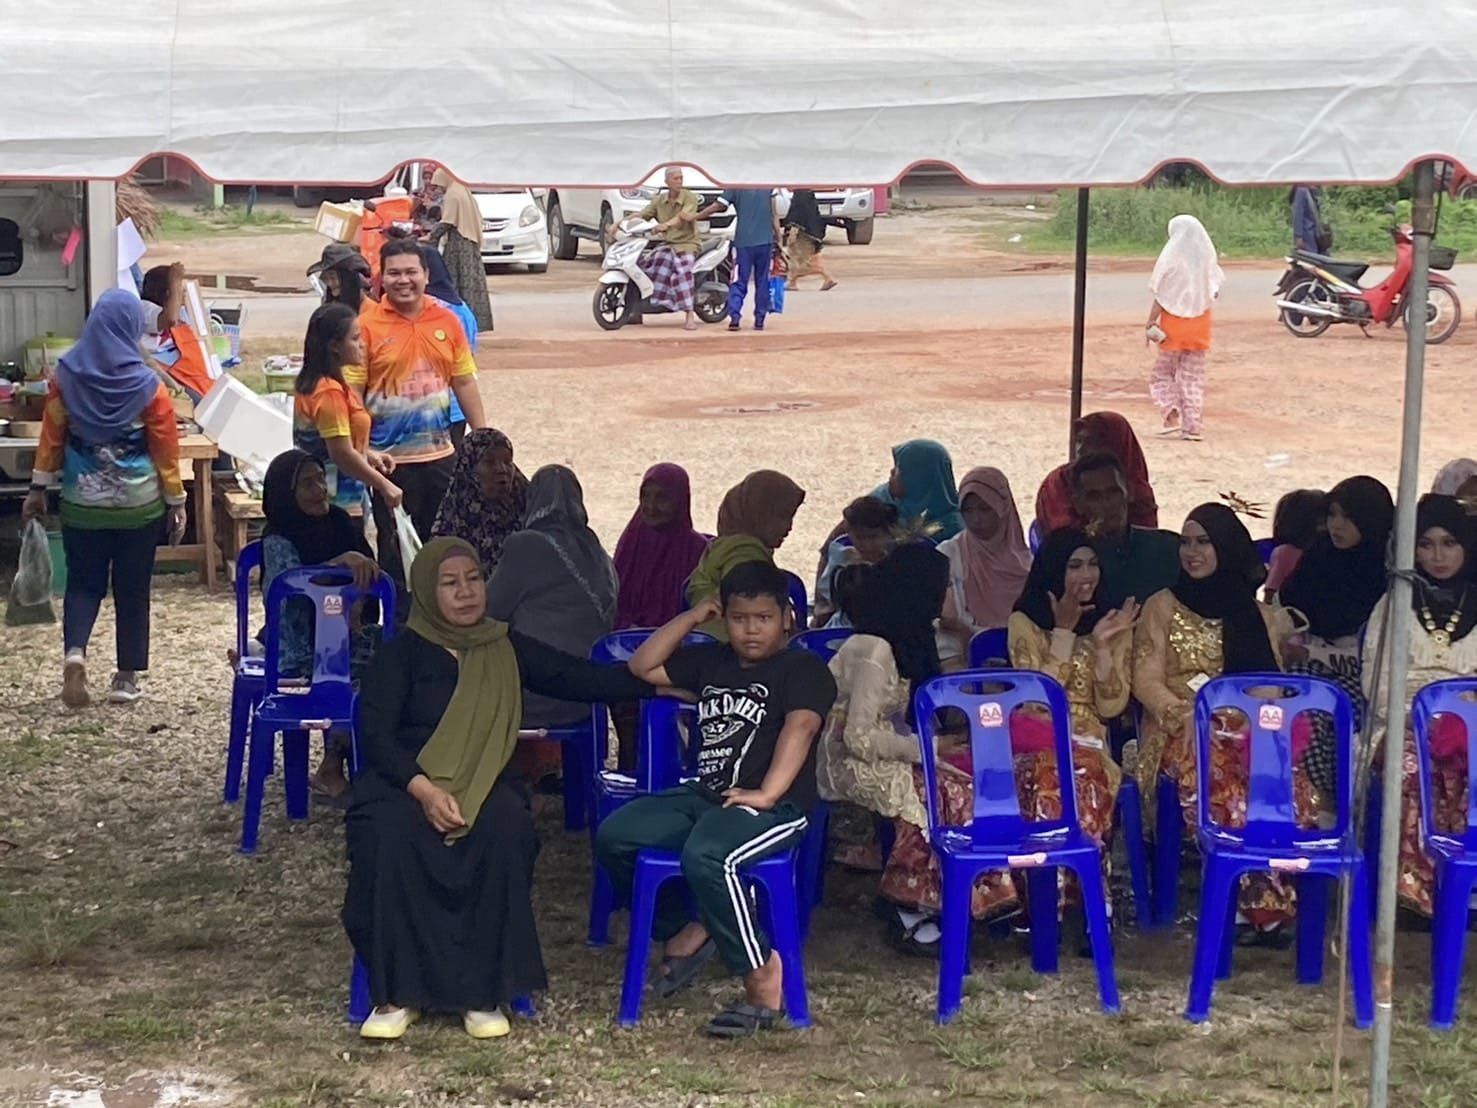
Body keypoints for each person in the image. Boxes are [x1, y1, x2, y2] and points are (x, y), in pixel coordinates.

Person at [345, 538, 654, 1040]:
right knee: (388, 835)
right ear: (427, 591)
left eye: (474, 579)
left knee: (505, 829)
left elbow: (579, 678)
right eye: (450, 583)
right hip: (405, 782)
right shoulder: (400, 655)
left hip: (484, 780)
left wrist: (663, 681)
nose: (466, 592)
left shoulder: (505, 646)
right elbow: (377, 736)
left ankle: (482, 993)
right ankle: (397, 994)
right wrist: (425, 792)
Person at [597, 561, 838, 1037]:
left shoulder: (803, 670)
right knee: (617, 834)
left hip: (776, 806)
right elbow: (641, 667)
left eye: (763, 618)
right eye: (739, 618)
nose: (751, 630)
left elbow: (801, 728)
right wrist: (691, 617)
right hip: (708, 794)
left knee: (707, 854)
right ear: (723, 617)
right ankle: (684, 929)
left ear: (786, 618)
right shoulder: (713, 663)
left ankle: (762, 973)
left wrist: (768, 793)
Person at [876, 529, 1134, 952]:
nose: (1086, 575)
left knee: (1077, 776)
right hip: (1027, 736)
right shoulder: (1025, 622)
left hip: (1085, 739)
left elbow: (1111, 706)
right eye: (1074, 566)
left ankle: (1087, 906)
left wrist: (1104, 648)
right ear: (1054, 570)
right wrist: (1064, 632)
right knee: (1025, 779)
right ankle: (1036, 904)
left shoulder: (1111, 622)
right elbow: (1035, 697)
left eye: (1092, 565)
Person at [1132, 504, 1307, 937]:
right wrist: (1189, 716)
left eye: (1204, 542)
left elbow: (1269, 687)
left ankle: (1261, 901)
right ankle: (1259, 904)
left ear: (1226, 547)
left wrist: (1249, 725)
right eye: (1185, 542)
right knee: (1222, 777)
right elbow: (1145, 679)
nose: (1191, 552)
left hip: (1241, 728)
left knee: (1280, 780)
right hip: (1179, 731)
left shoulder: (1256, 614)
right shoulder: (1161, 606)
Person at [23, 289, 187, 707]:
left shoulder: (65, 378)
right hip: (139, 506)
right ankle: (125, 678)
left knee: (83, 583)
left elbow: (51, 438)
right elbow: (166, 451)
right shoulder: (149, 388)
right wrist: (176, 501)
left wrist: (38, 488)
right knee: (132, 589)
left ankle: (75, 654)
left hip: (82, 505)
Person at [346, 238, 487, 587]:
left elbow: (463, 382)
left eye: (411, 272)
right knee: (397, 556)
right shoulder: (365, 326)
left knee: (445, 553)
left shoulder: (447, 321)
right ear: (382, 278)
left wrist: (483, 439)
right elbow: (352, 394)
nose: (403, 280)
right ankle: (401, 618)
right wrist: (363, 450)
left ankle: (440, 619)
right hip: (388, 464)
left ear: (426, 275)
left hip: (442, 457)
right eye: (394, 273)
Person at [1362, 494, 1477, 918]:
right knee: (1412, 766)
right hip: (1401, 724)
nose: (1438, 556)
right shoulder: (1395, 602)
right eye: (1426, 545)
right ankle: (1413, 890)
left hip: (1471, 726)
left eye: (1449, 543)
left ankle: (1465, 884)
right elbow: (1376, 679)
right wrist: (1419, 720)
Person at [259, 449, 381, 801]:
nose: (320, 490)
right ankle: (336, 764)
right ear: (287, 493)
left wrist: (357, 602)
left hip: (345, 636)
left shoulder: (340, 523)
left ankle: (371, 765)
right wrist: (338, 564)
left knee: (396, 657)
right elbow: (288, 592)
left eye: (321, 479)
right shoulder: (278, 537)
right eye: (307, 484)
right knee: (363, 671)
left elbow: (371, 577)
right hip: (298, 646)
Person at [485, 466, 619, 782]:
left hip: (537, 696)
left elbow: (489, 612)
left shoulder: (526, 545)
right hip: (588, 694)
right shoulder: (594, 548)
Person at [1278, 477, 1394, 799]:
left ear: (1370, 520)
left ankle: (1345, 803)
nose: (1336, 525)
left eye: (1348, 517)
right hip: (1309, 664)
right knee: (1303, 711)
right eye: (1331, 515)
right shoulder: (1319, 557)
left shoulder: (1389, 572)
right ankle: (1312, 801)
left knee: (1349, 719)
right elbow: (1291, 609)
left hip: (1366, 674)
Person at [293, 303, 402, 516]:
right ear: (334, 346)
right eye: (355, 338)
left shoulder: (322, 384)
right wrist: (384, 485)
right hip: (337, 501)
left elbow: (331, 440)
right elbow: (341, 453)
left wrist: (366, 454)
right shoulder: (328, 393)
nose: (362, 345)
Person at [687, 470, 806, 639]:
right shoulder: (744, 556)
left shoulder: (724, 547)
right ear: (759, 514)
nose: (789, 527)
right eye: (781, 517)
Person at [936, 466, 1032, 665]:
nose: (976, 519)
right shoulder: (948, 556)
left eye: (985, 509)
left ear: (1003, 508)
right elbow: (946, 620)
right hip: (960, 658)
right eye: (967, 510)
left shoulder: (1028, 564)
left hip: (1023, 656)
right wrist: (972, 637)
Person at [1145, 215, 1223, 442]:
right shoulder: (1207, 264)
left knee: (1162, 374)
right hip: (1199, 329)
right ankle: (1192, 427)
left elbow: (1161, 296)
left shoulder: (1171, 261)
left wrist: (1150, 322)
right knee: (1193, 379)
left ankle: (1170, 409)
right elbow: (1214, 292)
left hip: (1173, 330)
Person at [1068, 453, 1180, 610]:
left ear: (1129, 493)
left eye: (1114, 492)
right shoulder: (1066, 559)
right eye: (1094, 497)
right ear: (1078, 504)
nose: (1107, 503)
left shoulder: (1167, 548)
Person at [613, 463, 711, 630]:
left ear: (680, 501)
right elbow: (614, 602)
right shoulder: (632, 543)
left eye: (662, 498)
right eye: (645, 496)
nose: (651, 506)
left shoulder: (698, 551)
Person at [1036, 411, 1158, 534]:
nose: (1080, 449)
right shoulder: (1059, 482)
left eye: (1091, 442)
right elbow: (1061, 534)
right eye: (1079, 441)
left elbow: (1146, 538)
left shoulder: (1140, 494)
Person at [431, 428, 529, 575]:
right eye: (490, 462)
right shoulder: (451, 530)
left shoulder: (530, 512)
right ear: (469, 468)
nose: (502, 469)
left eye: (507, 461)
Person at [624, 166, 703, 331]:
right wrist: (619, 224)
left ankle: (689, 315)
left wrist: (666, 225)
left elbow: (682, 217)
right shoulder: (660, 200)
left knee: (683, 272)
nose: (679, 182)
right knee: (643, 266)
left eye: (681, 178)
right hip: (668, 245)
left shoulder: (689, 197)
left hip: (687, 244)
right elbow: (643, 214)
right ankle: (636, 310)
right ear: (667, 181)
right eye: (675, 179)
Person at [812, 496, 900, 628]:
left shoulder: (899, 561)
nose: (867, 545)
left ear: (889, 533)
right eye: (860, 538)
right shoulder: (841, 557)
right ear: (849, 533)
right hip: (843, 625)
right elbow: (828, 597)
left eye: (873, 537)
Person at [424, 168, 494, 331]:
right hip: (469, 241)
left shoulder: (453, 194)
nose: (438, 190)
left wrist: (431, 236)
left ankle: (458, 321)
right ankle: (474, 321)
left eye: (438, 185)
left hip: (458, 243)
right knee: (472, 283)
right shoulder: (462, 190)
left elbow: (448, 222)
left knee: (458, 282)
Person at [701, 187, 780, 331]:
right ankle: (759, 320)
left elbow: (719, 205)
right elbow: (774, 216)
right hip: (765, 241)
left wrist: (697, 216)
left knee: (739, 280)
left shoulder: (736, 186)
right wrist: (779, 239)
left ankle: (735, 317)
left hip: (743, 242)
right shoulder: (767, 185)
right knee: (762, 281)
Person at [139, 262, 214, 400]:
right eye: (179, 289)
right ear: (169, 293)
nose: (183, 293)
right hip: (164, 374)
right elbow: (170, 319)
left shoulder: (182, 313)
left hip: (188, 373)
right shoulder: (144, 308)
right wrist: (175, 279)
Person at [1264, 488, 1327, 597]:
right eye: (1322, 522)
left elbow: (1270, 593)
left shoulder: (1284, 553)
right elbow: (1271, 593)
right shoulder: (1285, 553)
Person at [782, 189, 837, 291]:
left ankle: (826, 277)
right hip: (811, 232)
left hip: (803, 234)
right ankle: (793, 282)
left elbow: (797, 215)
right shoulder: (809, 195)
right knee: (805, 258)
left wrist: (793, 230)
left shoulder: (800, 195)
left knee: (799, 260)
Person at [308, 242, 372, 315]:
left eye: (333, 277)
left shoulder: (371, 312)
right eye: (325, 278)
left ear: (350, 278)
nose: (329, 284)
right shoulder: (328, 307)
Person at [1289, 185, 1328, 254]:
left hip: (1316, 233)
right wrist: (1298, 237)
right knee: (1310, 257)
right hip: (1306, 235)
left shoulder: (1311, 190)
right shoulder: (1301, 191)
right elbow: (1298, 215)